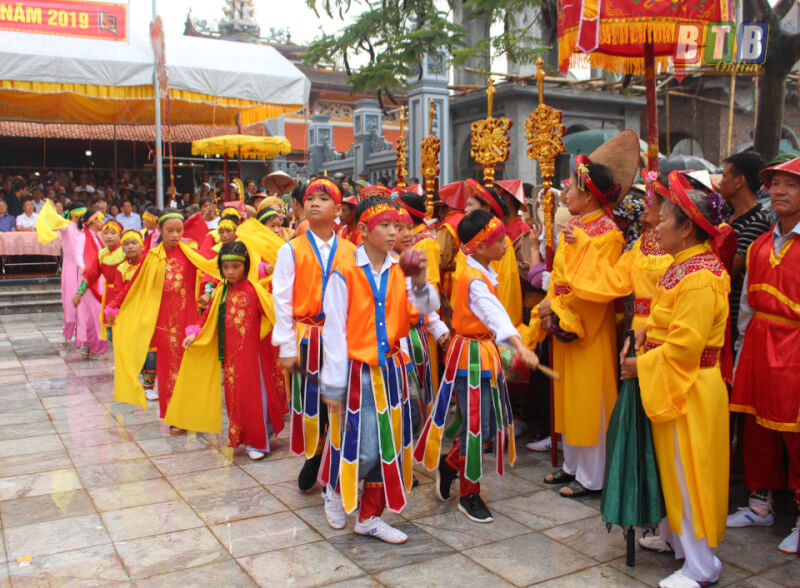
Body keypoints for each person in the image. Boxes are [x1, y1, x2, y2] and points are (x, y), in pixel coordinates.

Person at [629, 171, 731, 588]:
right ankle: (676, 537)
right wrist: (646, 332)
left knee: (690, 474)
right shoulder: (683, 265)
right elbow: (667, 322)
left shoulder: (700, 277)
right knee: (674, 469)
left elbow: (687, 347)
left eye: (665, 219)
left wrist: (641, 365)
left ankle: (701, 566)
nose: (656, 225)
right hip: (677, 381)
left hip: (690, 386)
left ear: (687, 228)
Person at [319, 196, 439, 543]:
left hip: (393, 370)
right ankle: (335, 485)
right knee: (366, 445)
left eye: (396, 226)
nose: (392, 233)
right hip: (359, 372)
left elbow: (427, 307)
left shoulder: (402, 268)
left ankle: (370, 516)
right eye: (384, 226)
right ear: (362, 229)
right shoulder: (344, 273)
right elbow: (334, 332)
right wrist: (334, 385)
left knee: (392, 444)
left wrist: (421, 279)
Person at [527, 131, 638, 498]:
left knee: (590, 399)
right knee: (569, 397)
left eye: (572, 188)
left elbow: (599, 287)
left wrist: (558, 307)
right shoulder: (575, 226)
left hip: (587, 325)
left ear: (589, 194)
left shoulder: (607, 234)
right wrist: (549, 307)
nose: (566, 193)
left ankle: (592, 475)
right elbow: (560, 277)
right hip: (563, 319)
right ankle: (572, 465)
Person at [416, 209, 539, 523]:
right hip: (469, 356)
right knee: (475, 426)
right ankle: (469, 494)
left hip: (483, 352)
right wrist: (520, 345)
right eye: (499, 240)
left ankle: (450, 465)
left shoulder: (481, 272)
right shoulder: (473, 280)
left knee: (485, 425)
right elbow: (493, 313)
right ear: (481, 247)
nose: (506, 243)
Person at [728, 156, 800, 555]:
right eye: (774, 184)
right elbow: (745, 306)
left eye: (790, 185)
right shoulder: (758, 245)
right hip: (758, 341)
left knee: (795, 433)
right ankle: (759, 505)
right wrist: (741, 351)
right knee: (755, 428)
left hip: (794, 345)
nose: (779, 191)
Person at [271, 179, 356, 493]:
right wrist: (286, 345)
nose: (315, 203)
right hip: (307, 335)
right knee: (311, 401)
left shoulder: (351, 251)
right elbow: (282, 299)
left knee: (340, 399)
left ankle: (337, 458)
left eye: (323, 198)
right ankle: (314, 452)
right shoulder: (290, 250)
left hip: (341, 336)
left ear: (338, 210)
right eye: (310, 199)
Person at [167, 241, 279, 461]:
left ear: (245, 266)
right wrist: (195, 333)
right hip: (231, 356)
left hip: (252, 354)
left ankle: (257, 441)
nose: (230, 272)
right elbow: (207, 316)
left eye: (235, 267)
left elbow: (274, 314)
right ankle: (245, 437)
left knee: (253, 396)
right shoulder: (221, 291)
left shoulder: (254, 290)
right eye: (225, 267)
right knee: (235, 398)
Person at [110, 211, 218, 427]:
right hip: (164, 322)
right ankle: (174, 417)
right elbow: (133, 284)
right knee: (169, 368)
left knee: (188, 366)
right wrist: (114, 305)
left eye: (179, 230)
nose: (175, 235)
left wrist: (207, 291)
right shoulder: (152, 257)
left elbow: (211, 270)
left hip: (187, 319)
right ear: (160, 230)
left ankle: (190, 413)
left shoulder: (190, 253)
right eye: (170, 231)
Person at [716, 151, 771, 344]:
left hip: (732, 316)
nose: (720, 183)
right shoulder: (723, 215)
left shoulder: (758, 221)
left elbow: (729, 269)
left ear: (739, 181)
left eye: (724, 176)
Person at [452, 181, 523, 326]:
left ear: (486, 208)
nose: (465, 209)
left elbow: (506, 288)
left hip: (491, 324)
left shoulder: (502, 244)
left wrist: (503, 328)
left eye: (470, 205)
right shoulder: (468, 241)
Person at [105, 230, 158, 398]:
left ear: (141, 246)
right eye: (126, 244)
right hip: (131, 314)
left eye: (134, 243)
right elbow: (119, 291)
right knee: (134, 348)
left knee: (150, 350)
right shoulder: (121, 268)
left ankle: (148, 386)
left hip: (149, 312)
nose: (130, 247)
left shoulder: (148, 264)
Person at [73, 218, 124, 348]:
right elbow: (91, 275)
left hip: (125, 295)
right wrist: (79, 293)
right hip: (110, 296)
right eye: (106, 233)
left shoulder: (125, 252)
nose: (109, 236)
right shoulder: (102, 254)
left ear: (120, 235)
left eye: (113, 233)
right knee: (112, 333)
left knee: (124, 330)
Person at [75, 210, 108, 359]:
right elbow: (78, 253)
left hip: (99, 278)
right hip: (89, 279)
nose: (103, 222)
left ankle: (89, 346)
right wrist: (82, 266)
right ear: (93, 220)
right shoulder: (83, 237)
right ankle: (95, 348)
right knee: (92, 313)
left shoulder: (99, 238)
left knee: (95, 312)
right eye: (101, 219)